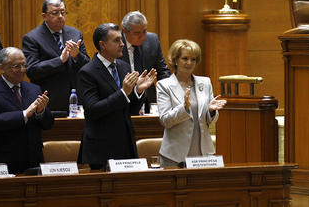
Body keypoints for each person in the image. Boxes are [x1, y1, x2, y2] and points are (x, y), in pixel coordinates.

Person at [78, 23, 157, 169]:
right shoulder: (87, 72)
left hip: (126, 144)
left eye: (121, 40)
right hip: (101, 148)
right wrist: (123, 92)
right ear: (102, 45)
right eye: (116, 40)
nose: (122, 44)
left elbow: (130, 109)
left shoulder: (123, 67)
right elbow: (92, 110)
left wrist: (138, 91)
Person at [0, 47, 54, 174]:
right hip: (5, 161)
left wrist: (41, 112)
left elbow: (49, 124)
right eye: (17, 66)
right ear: (2, 67)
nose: (22, 70)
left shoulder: (34, 89)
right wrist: (24, 114)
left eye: (24, 65)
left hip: (34, 160)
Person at [156, 39, 226, 167]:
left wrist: (211, 111)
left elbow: (210, 121)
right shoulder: (164, 85)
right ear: (176, 60)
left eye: (193, 59)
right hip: (175, 156)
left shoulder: (205, 83)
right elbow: (165, 120)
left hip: (203, 153)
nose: (189, 63)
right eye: (185, 58)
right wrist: (184, 108)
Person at [22, 0, 90, 112]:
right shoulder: (32, 38)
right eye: (55, 13)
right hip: (50, 100)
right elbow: (32, 71)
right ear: (44, 16)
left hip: (77, 98)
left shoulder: (75, 34)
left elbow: (87, 66)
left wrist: (77, 56)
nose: (60, 17)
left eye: (63, 12)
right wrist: (59, 60)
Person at [118, 11, 170, 113]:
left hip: (148, 100)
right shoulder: (116, 42)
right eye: (137, 33)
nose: (142, 36)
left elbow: (162, 70)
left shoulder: (152, 40)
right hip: (123, 101)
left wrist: (168, 93)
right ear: (125, 31)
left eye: (144, 31)